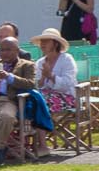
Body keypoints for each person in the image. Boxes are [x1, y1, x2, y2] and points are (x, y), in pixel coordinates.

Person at [24, 26, 80, 157]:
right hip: (45, 95)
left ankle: (43, 145)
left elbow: (68, 84)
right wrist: (44, 77)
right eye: (41, 42)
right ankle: (26, 143)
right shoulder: (40, 62)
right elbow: (37, 85)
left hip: (67, 98)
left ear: (55, 43)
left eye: (46, 41)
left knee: (41, 103)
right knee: (28, 103)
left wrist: (51, 76)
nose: (42, 44)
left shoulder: (67, 59)